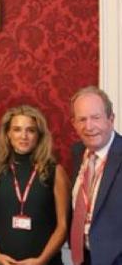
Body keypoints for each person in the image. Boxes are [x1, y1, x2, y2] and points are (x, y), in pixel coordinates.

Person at [0, 105, 69, 265]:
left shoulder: (55, 172)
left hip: (44, 262)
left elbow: (63, 226)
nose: (24, 136)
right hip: (2, 262)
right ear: (8, 134)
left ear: (39, 135)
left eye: (31, 130)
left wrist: (41, 260)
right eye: (17, 129)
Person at [69, 86, 122, 265]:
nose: (89, 126)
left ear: (111, 119)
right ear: (73, 123)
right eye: (82, 119)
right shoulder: (77, 152)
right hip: (84, 257)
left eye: (96, 118)